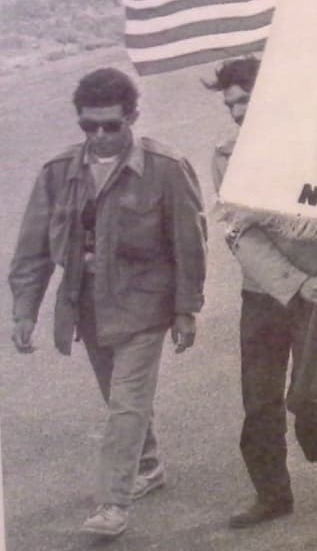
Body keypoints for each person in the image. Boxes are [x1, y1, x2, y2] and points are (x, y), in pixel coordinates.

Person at [9, 67, 206, 539]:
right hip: (87, 304)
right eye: (88, 126)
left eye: (110, 125)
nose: (99, 135)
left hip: (144, 304)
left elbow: (189, 244)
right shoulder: (58, 172)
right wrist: (24, 311)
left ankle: (112, 504)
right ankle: (149, 465)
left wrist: (185, 309)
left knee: (126, 403)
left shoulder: (165, 167)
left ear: (132, 117)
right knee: (117, 396)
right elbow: (32, 249)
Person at [206, 58, 317, 528]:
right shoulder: (227, 157)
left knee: (306, 392)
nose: (234, 112)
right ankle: (272, 493)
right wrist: (293, 282)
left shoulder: (316, 147)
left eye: (244, 100)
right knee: (259, 400)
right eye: (229, 102)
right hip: (264, 293)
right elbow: (241, 235)